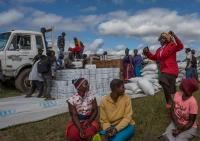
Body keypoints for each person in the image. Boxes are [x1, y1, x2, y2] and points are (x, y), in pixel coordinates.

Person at [143, 31, 184, 109]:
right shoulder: (159, 50)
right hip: (164, 70)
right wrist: (147, 53)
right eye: (160, 38)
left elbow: (181, 46)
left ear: (166, 39)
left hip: (172, 70)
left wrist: (174, 36)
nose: (161, 40)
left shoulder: (172, 45)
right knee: (169, 87)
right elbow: (154, 57)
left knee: (165, 82)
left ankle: (172, 101)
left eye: (163, 38)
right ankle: (174, 103)